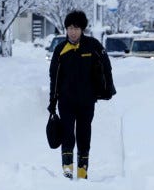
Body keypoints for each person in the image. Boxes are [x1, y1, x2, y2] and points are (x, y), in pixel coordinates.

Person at [47, 10, 114, 180]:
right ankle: (67, 169)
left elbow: (106, 68)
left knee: (84, 134)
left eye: (76, 28)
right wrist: (52, 100)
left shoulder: (93, 46)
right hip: (66, 101)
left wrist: (107, 90)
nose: (73, 31)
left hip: (86, 101)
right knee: (68, 134)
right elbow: (53, 77)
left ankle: (82, 171)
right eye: (69, 28)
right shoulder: (60, 49)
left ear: (82, 29)